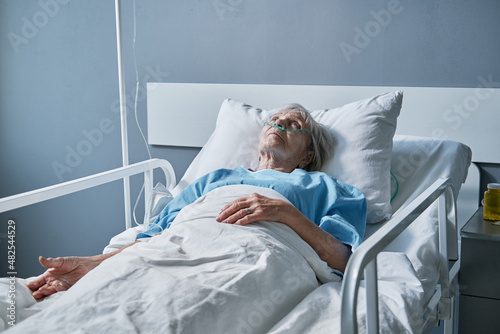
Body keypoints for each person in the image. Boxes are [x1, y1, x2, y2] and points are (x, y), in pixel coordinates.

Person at [27, 103, 367, 301]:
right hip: (179, 250)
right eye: (276, 119)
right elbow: (158, 237)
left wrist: (286, 213)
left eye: (295, 124)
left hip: (254, 257)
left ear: (308, 155)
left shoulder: (327, 187)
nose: (280, 123)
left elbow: (343, 259)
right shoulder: (214, 180)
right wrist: (94, 264)